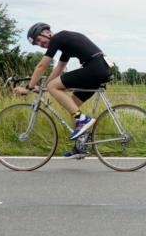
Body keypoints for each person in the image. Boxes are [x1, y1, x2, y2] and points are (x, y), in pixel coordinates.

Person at [16, 23, 112, 154]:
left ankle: (84, 120)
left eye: (39, 40)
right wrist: (43, 88)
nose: (40, 44)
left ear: (47, 32)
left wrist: (28, 87)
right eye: (37, 44)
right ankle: (80, 147)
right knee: (72, 104)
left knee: (55, 89)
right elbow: (59, 68)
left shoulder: (58, 38)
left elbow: (41, 66)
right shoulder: (65, 44)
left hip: (94, 68)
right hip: (100, 68)